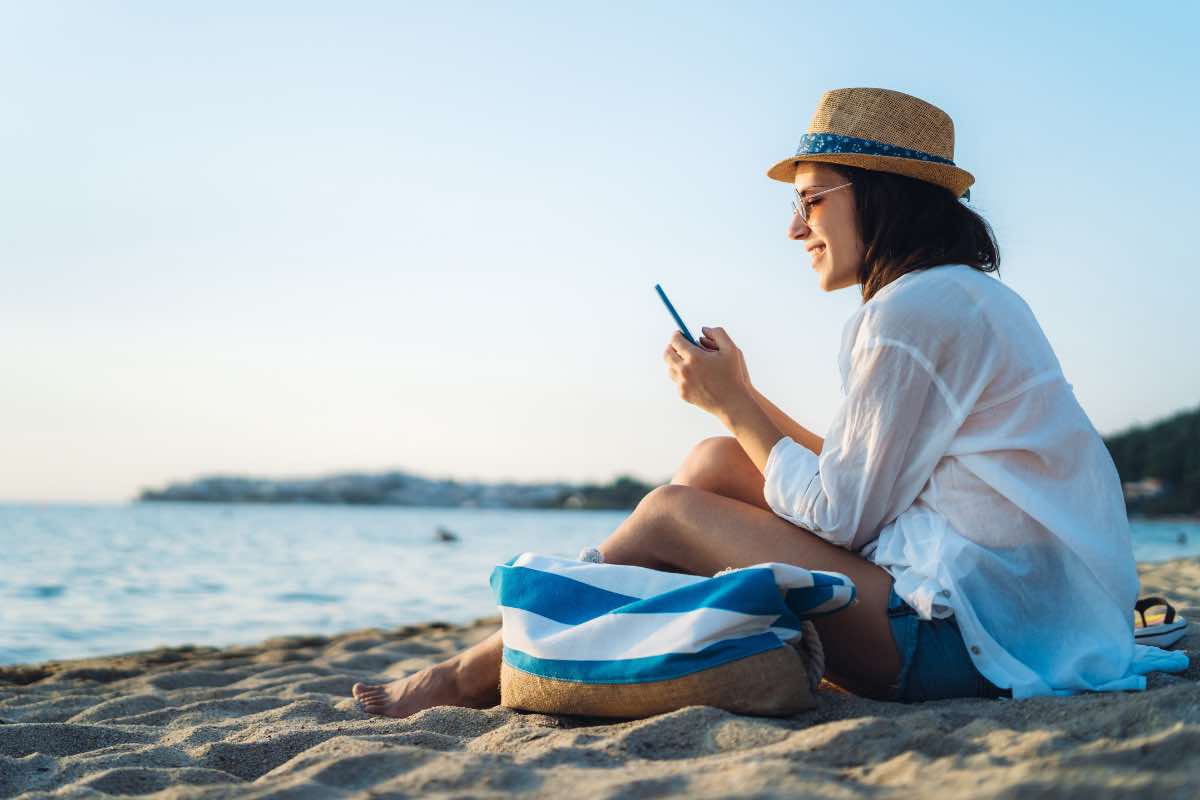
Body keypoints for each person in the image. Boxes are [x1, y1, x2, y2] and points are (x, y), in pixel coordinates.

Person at [353, 87, 1171, 716]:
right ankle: (557, 640)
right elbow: (874, 485)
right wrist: (738, 402)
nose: (794, 227)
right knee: (716, 460)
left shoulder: (910, 314)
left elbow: (848, 518)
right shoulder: (961, 298)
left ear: (880, 194)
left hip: (977, 647)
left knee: (674, 512)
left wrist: (732, 406)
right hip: (1034, 616)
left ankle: (469, 673)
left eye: (811, 199)